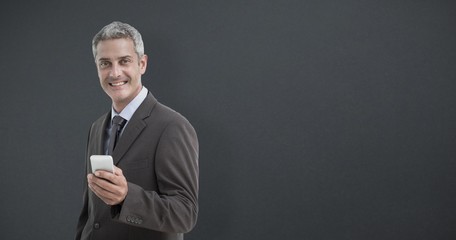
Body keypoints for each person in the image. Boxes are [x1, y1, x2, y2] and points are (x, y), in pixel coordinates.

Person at [75, 21, 199, 240]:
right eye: (105, 63)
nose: (115, 73)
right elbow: (90, 215)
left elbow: (185, 214)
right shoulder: (96, 128)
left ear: (142, 64)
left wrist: (126, 196)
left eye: (124, 61)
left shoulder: (172, 126)